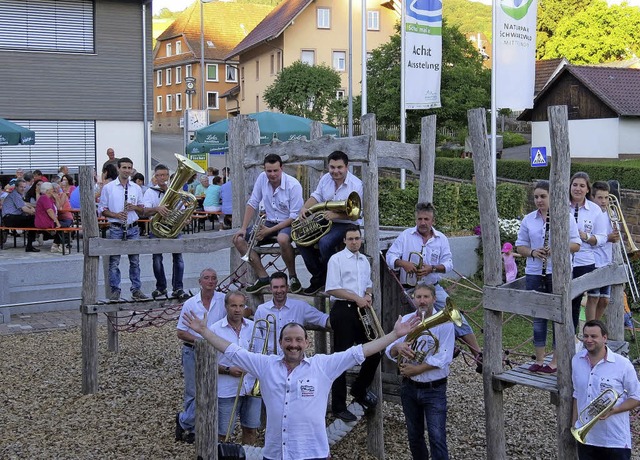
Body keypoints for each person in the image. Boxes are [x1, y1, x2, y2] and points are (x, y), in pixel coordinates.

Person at [182, 300, 420, 460]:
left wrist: (394, 335)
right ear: (280, 343)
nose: (293, 345)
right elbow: (233, 350)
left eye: (298, 340)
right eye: (288, 340)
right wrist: (204, 331)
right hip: (275, 453)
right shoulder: (265, 366)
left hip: (313, 453)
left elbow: (359, 352)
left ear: (306, 343)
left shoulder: (322, 366)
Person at [385, 202, 482, 366]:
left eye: (426, 219)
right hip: (412, 289)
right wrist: (403, 263)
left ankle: (479, 356)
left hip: (433, 287)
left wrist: (432, 268)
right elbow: (389, 256)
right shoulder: (405, 235)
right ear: (416, 219)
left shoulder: (441, 238)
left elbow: (449, 264)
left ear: (433, 221)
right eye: (420, 219)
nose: (422, 222)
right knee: (426, 321)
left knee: (457, 317)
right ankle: (443, 351)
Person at [516, 180, 581, 373]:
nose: (539, 200)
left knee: (557, 316)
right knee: (538, 316)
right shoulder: (529, 219)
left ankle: (556, 360)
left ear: (552, 197)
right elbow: (520, 246)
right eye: (536, 197)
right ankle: (539, 359)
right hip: (535, 272)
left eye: (543, 196)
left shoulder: (565, 217)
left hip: (558, 272)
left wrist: (557, 248)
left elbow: (576, 244)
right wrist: (533, 252)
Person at [386, 283, 454, 460]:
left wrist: (417, 369)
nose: (422, 301)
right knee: (414, 437)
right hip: (409, 387)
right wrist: (398, 347)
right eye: (418, 297)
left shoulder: (445, 322)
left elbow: (444, 356)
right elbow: (389, 351)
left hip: (434, 389)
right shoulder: (407, 320)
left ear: (434, 298)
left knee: (437, 437)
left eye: (426, 297)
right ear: (413, 299)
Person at [325, 225, 379, 422]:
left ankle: (359, 388)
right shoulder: (336, 259)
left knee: (375, 350)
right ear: (344, 241)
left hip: (360, 309)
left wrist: (368, 294)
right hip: (343, 310)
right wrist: (356, 298)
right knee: (341, 358)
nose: (355, 242)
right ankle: (338, 406)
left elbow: (369, 283)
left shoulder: (364, 260)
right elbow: (332, 289)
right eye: (351, 239)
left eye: (357, 238)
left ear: (361, 239)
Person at [233, 153, 303, 294]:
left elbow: (294, 217)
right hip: (270, 222)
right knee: (238, 240)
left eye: (275, 170)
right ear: (264, 169)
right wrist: (243, 228)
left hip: (289, 223)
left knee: (282, 239)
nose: (272, 174)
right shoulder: (261, 178)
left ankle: (293, 276)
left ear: (281, 168)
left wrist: (269, 231)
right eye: (268, 171)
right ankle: (263, 277)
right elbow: (252, 202)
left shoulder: (293, 185)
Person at [572, 320, 640, 460]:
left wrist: (614, 410)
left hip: (614, 440)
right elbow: (577, 394)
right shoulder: (576, 360)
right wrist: (574, 425)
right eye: (585, 336)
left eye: (593, 336)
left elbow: (636, 396)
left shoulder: (622, 364)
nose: (589, 340)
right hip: (587, 438)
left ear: (604, 337)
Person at [297, 150, 363, 295]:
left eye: (339, 167)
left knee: (325, 243)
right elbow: (317, 195)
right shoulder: (325, 178)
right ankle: (319, 277)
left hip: (347, 224)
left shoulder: (356, 184)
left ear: (347, 167)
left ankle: (330, 279)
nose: (335, 171)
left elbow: (357, 214)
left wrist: (336, 214)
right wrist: (305, 208)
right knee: (301, 240)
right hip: (327, 220)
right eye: (332, 167)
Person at [175, 268, 226, 444]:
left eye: (213, 278)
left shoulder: (223, 300)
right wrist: (201, 340)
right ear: (200, 282)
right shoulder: (190, 303)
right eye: (206, 278)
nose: (210, 281)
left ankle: (184, 421)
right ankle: (192, 427)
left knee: (213, 388)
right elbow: (181, 332)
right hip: (193, 350)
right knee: (193, 391)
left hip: (215, 352)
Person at [212, 291, 261, 445]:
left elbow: (261, 355)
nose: (238, 309)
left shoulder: (253, 327)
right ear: (226, 306)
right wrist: (227, 370)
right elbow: (206, 364)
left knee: (251, 430)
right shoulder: (215, 330)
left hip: (251, 387)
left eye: (241, 306)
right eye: (233, 305)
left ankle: (248, 455)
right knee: (223, 434)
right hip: (227, 389)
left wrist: (252, 366)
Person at [98, 157, 148, 301]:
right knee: (114, 261)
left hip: (132, 228)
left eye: (129, 168)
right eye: (124, 167)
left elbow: (142, 210)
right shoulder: (109, 187)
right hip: (116, 227)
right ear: (119, 169)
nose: (127, 170)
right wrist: (116, 214)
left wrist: (134, 208)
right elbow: (102, 209)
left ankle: (136, 290)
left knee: (135, 261)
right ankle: (115, 290)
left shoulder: (136, 188)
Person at [253, 271, 330, 354]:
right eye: (275, 287)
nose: (279, 290)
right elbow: (257, 338)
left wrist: (341, 320)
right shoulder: (261, 310)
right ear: (270, 289)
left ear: (287, 288)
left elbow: (323, 319)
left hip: (295, 358)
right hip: (270, 359)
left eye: (282, 286)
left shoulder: (300, 306)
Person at [570, 172, 608, 333]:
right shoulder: (559, 204)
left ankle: (576, 337)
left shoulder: (594, 210)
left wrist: (585, 236)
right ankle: (564, 340)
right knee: (564, 301)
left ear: (587, 190)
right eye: (575, 185)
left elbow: (601, 237)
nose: (578, 189)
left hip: (584, 261)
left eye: (582, 186)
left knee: (576, 300)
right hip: (561, 260)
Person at [143, 164, 187, 300]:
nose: (162, 178)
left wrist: (185, 219)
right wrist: (157, 209)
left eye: (165, 175)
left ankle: (178, 287)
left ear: (168, 176)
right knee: (157, 259)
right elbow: (145, 211)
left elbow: (183, 210)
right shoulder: (150, 192)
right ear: (155, 177)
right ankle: (161, 287)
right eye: (159, 175)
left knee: (178, 259)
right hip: (157, 228)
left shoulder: (176, 192)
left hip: (173, 228)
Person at [589, 181, 620, 321]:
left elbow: (615, 237)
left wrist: (616, 233)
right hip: (594, 260)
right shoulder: (590, 214)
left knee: (605, 300)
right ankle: (589, 329)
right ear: (592, 197)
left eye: (606, 198)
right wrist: (608, 238)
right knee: (593, 297)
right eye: (600, 198)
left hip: (607, 260)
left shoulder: (611, 212)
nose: (604, 201)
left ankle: (594, 326)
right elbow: (588, 240)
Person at [1, 179, 39, 252]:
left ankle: (30, 244)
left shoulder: (18, 195)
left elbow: (25, 203)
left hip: (10, 218)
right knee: (33, 219)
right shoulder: (15, 195)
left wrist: (34, 206)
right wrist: (37, 213)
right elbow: (24, 209)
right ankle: (29, 246)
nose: (23, 189)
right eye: (21, 187)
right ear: (16, 187)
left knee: (32, 220)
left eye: (24, 187)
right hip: (9, 219)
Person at [34, 182, 66, 254]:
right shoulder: (44, 198)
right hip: (44, 221)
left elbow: (58, 207)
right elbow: (50, 211)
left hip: (47, 220)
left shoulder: (49, 198)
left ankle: (56, 245)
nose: (53, 191)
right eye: (52, 189)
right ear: (47, 190)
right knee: (63, 226)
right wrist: (57, 222)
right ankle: (58, 246)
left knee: (64, 224)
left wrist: (56, 198)